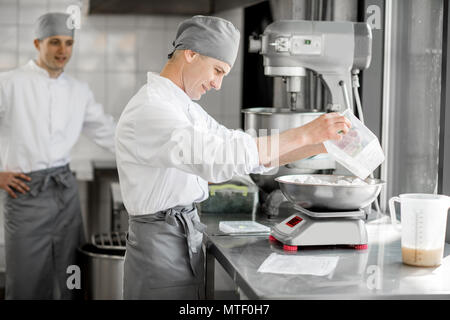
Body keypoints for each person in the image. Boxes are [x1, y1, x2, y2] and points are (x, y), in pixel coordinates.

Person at [115, 15, 351, 299]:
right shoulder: (152, 108)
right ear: (190, 54)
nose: (217, 84)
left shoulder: (182, 106)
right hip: (160, 246)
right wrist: (305, 133)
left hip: (179, 238)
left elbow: (240, 146)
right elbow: (217, 159)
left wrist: (323, 146)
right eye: (217, 70)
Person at [0, 12, 116, 299]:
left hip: (65, 191)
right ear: (37, 43)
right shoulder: (9, 84)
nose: (62, 50)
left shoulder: (79, 91)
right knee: (26, 279)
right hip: (25, 190)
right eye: (54, 42)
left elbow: (109, 133)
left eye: (68, 43)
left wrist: (157, 153)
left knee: (71, 271)